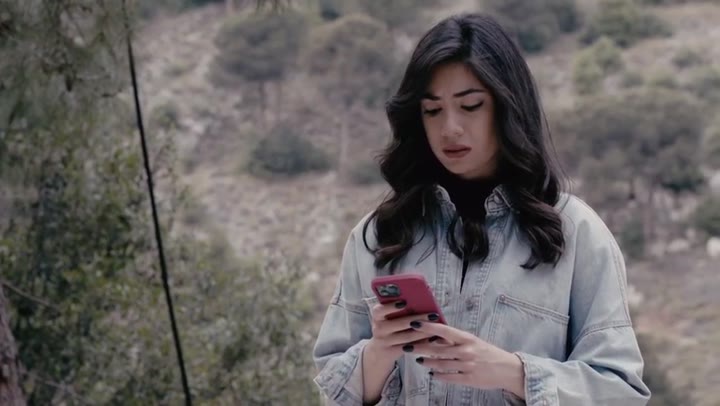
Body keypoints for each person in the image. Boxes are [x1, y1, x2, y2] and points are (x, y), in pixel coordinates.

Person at [312, 12, 651, 406]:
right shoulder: (378, 235)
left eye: (470, 106)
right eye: (432, 111)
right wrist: (379, 352)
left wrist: (512, 372)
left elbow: (620, 391)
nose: (450, 128)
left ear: (507, 107)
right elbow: (332, 391)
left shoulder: (576, 234)